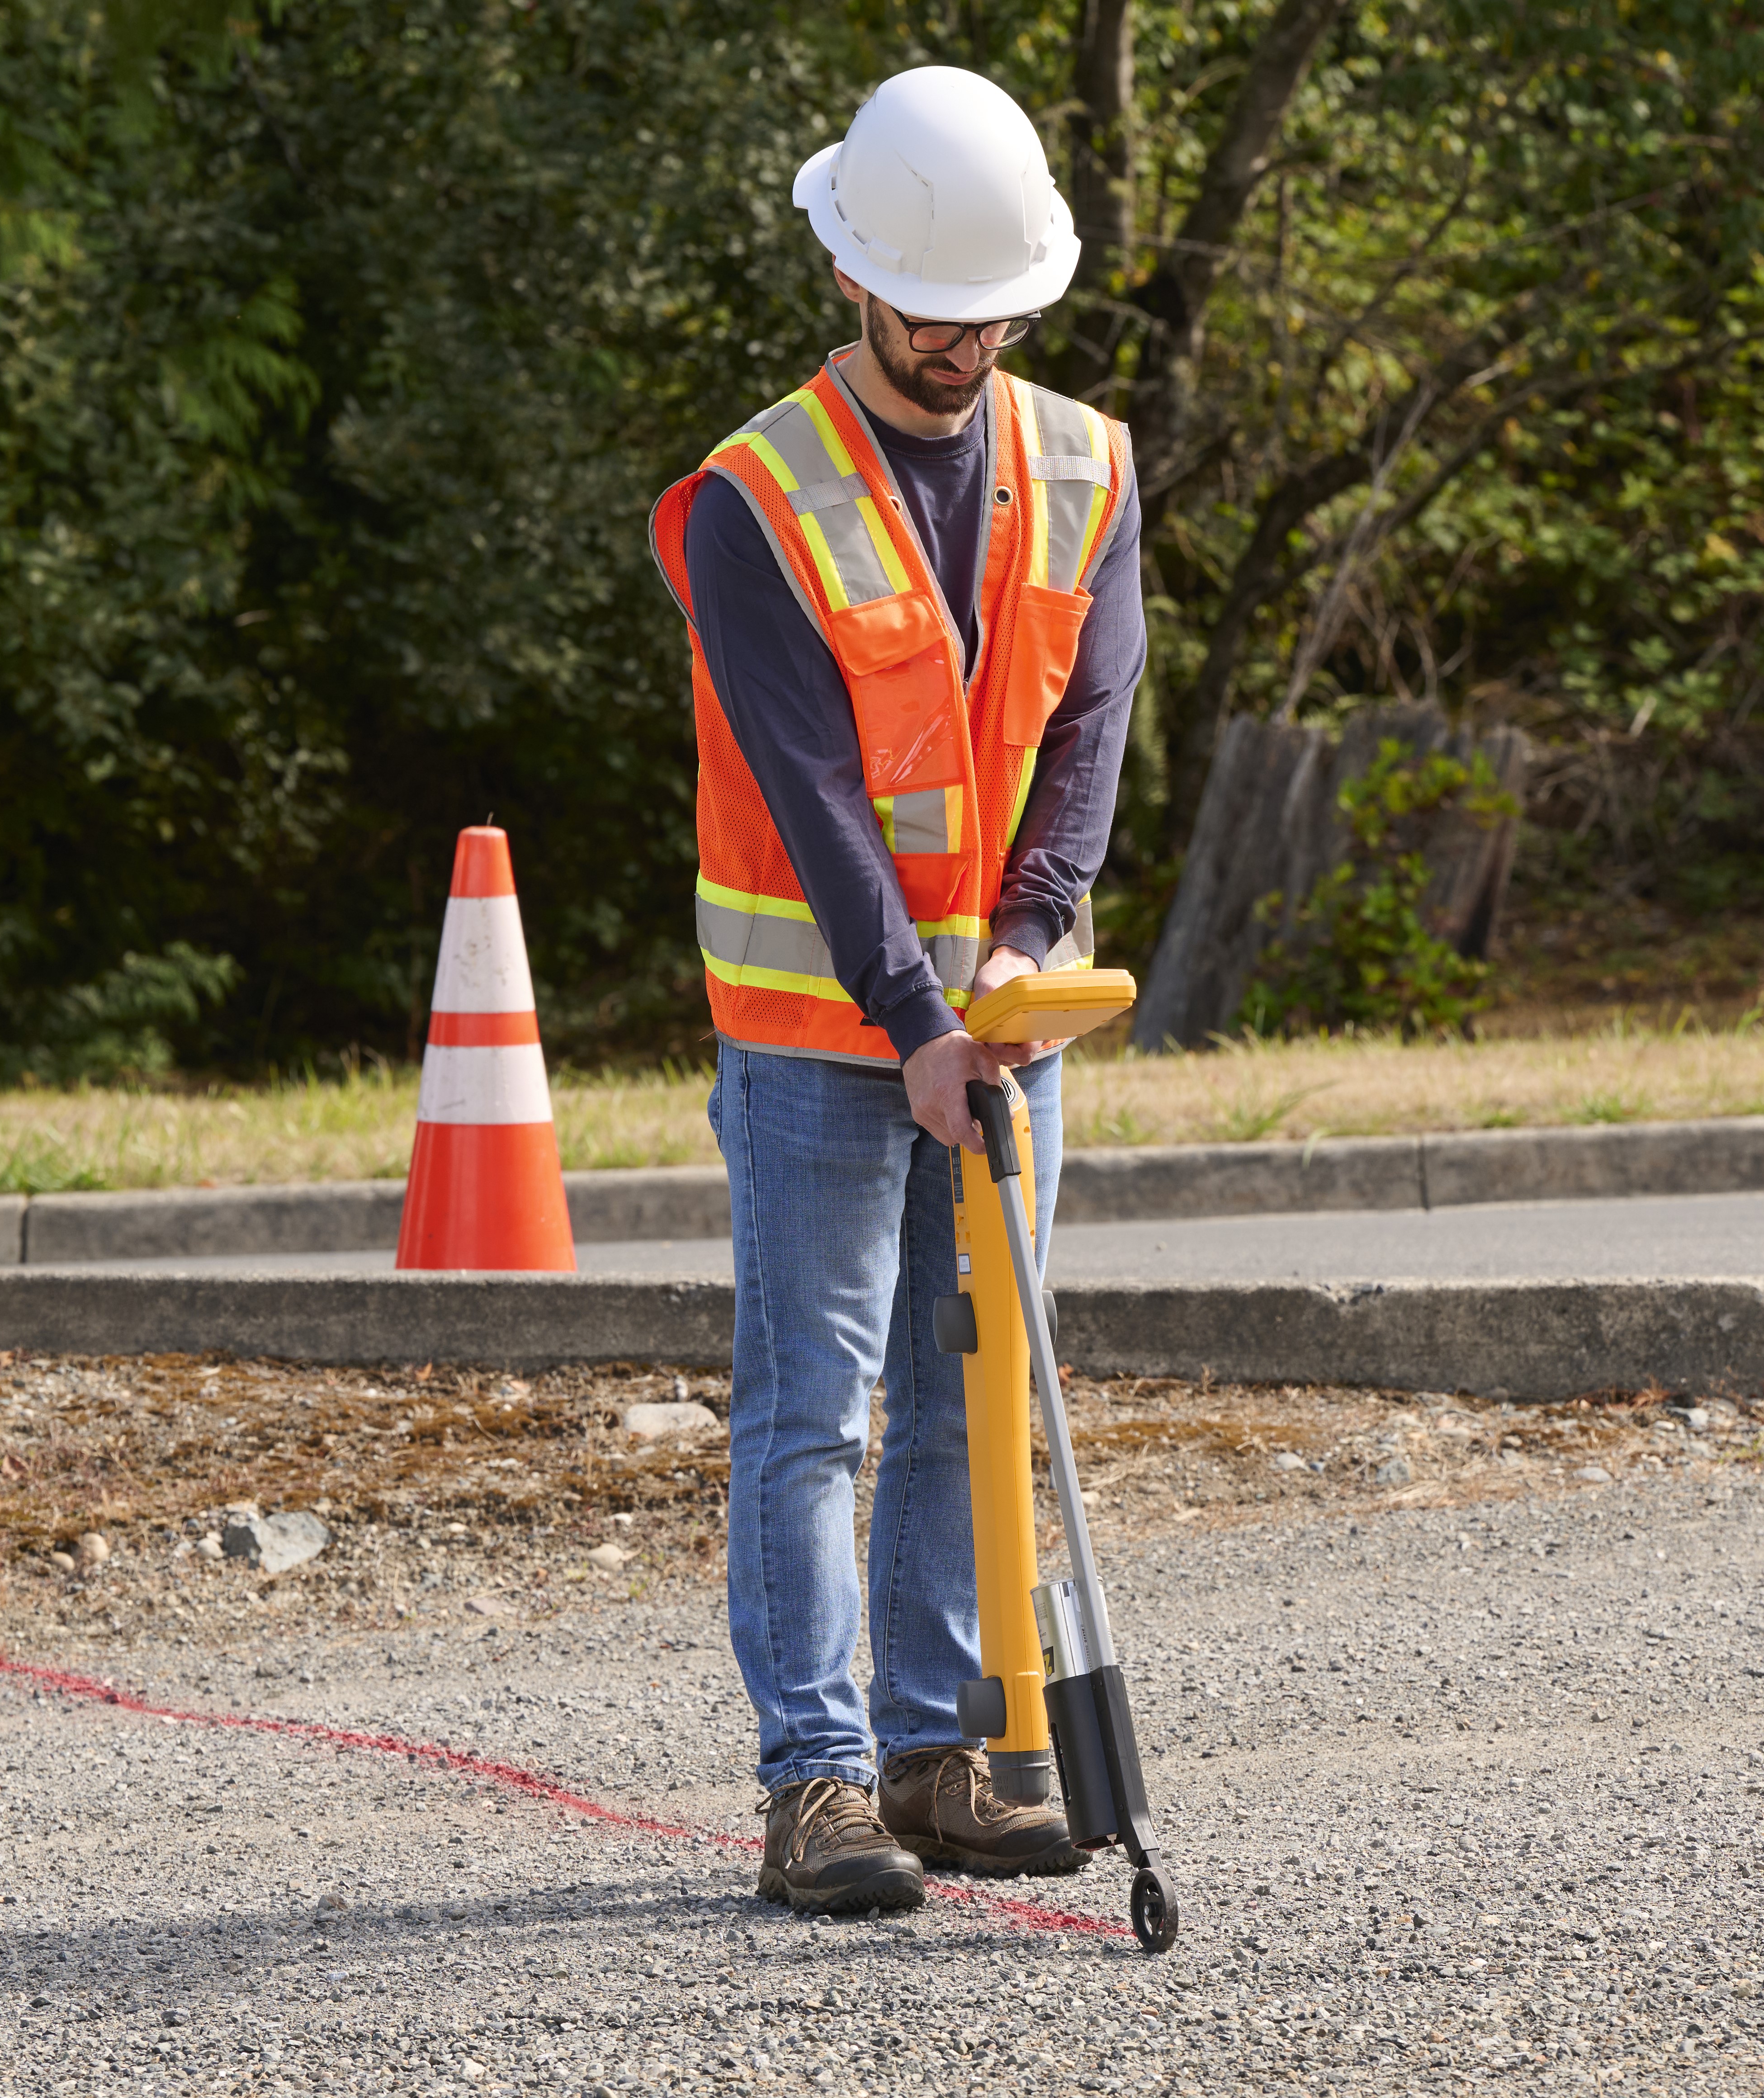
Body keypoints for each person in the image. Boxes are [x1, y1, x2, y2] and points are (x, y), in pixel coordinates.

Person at [646, 66, 1144, 1917]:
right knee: (815, 1403)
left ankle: (944, 1753)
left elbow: (1089, 718)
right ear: (855, 277)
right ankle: (819, 1780)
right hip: (816, 1033)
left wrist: (1033, 929)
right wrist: (912, 1016)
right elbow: (813, 789)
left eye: (995, 311)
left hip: (1002, 1017)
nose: (965, 342)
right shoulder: (752, 502)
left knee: (969, 1395)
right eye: (934, 313)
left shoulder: (1086, 460)